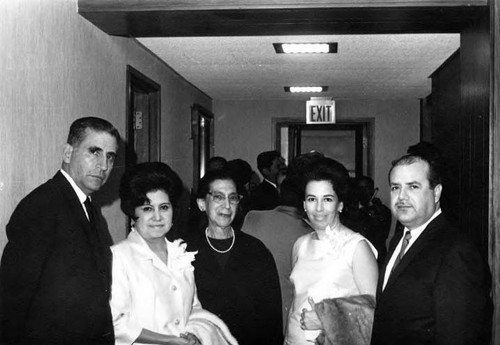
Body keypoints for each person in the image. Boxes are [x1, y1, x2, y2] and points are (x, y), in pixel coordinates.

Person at [0, 117, 120, 344]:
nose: (103, 165)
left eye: (110, 156)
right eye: (94, 152)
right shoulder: (41, 206)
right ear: (67, 153)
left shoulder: (90, 208)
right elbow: (13, 299)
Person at [110, 162, 237, 345]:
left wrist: (195, 334)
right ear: (132, 212)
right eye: (147, 209)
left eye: (164, 207)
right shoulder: (118, 257)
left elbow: (193, 309)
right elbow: (116, 324)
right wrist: (168, 340)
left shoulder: (181, 253)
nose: (157, 217)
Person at [371, 154, 492, 345]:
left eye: (413, 187)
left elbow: (459, 335)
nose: (401, 197)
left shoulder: (456, 250)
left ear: (436, 193)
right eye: (396, 187)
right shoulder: (400, 239)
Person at [285, 157, 379, 345]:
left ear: (340, 204)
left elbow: (375, 314)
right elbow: (297, 303)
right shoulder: (300, 244)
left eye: (327, 199)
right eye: (312, 199)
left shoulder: (357, 247)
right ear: (304, 204)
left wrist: (325, 320)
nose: (319, 208)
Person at [187, 169, 283, 345]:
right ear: (202, 203)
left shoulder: (255, 250)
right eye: (218, 197)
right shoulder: (185, 250)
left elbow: (272, 316)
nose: (227, 205)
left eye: (232, 198)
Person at [355, 176, 392, 265]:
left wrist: (376, 215)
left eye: (366, 188)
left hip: (377, 259)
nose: (363, 192)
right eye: (360, 188)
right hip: (356, 258)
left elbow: (382, 236)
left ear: (372, 190)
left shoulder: (383, 211)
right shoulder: (349, 211)